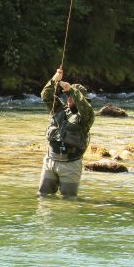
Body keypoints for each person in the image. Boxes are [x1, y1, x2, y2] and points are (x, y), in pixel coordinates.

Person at [38, 67, 94, 198]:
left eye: (71, 96)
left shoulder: (86, 117)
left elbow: (85, 107)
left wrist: (71, 89)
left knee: (68, 202)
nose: (68, 98)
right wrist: (54, 80)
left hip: (71, 165)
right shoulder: (58, 109)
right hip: (50, 162)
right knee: (43, 197)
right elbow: (45, 96)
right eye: (67, 95)